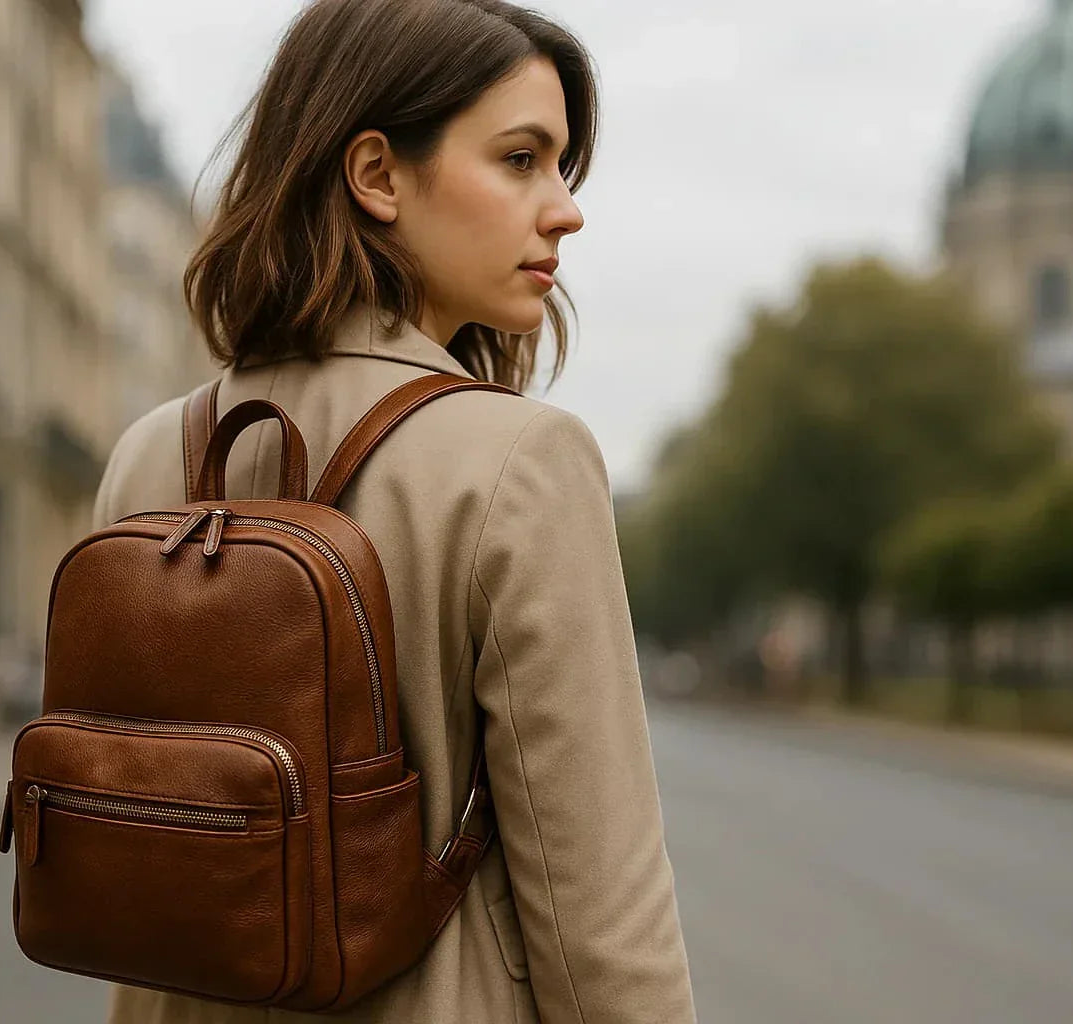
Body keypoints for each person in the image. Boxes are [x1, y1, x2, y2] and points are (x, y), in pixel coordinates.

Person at [92, 1, 697, 1020]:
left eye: (563, 168)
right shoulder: (521, 462)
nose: (564, 208)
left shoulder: (154, 453)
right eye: (520, 159)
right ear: (376, 176)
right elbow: (599, 903)